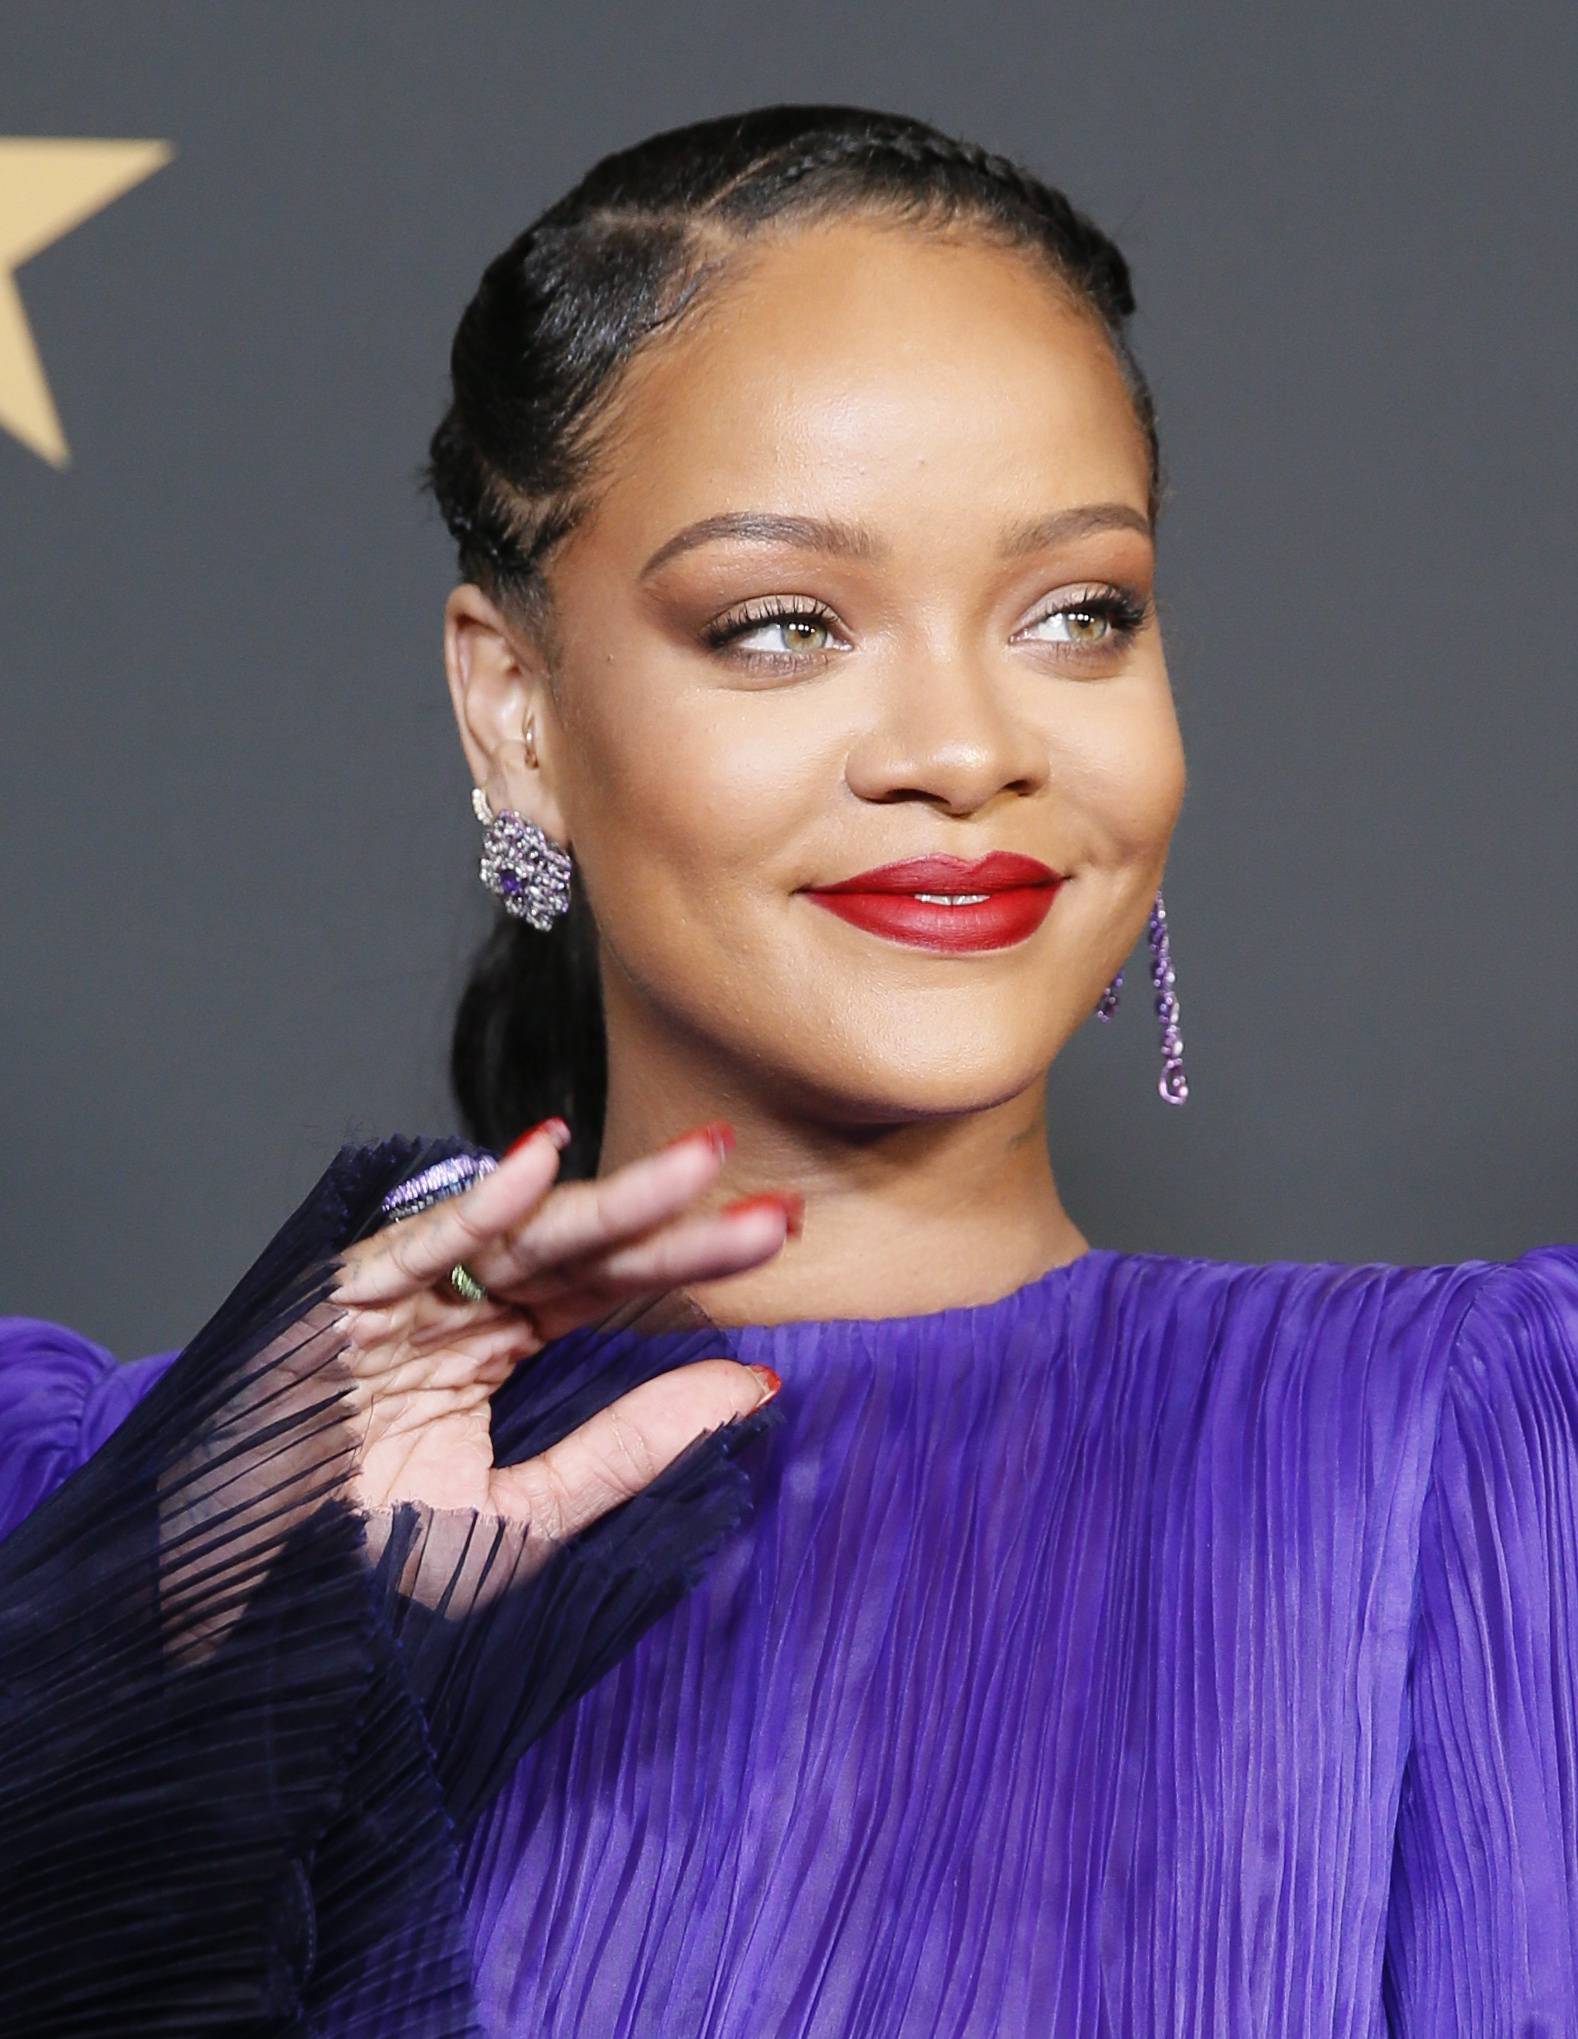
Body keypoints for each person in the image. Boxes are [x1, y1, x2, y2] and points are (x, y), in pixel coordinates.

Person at [2, 99, 1575, 2038]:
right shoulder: (102, 1526)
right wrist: (220, 1633)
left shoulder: (1481, 1462)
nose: (964, 744)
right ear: (514, 709)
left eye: (1080, 613)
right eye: (781, 626)